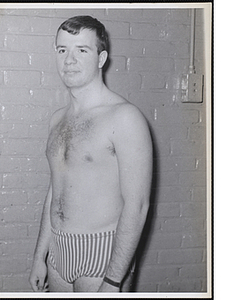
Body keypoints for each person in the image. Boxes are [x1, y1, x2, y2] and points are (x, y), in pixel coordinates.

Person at [29, 15, 152, 293]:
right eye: (62, 50)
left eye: (81, 50)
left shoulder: (125, 117)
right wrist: (40, 256)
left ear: (101, 58)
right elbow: (54, 191)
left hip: (104, 251)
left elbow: (138, 204)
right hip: (60, 251)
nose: (69, 60)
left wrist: (113, 280)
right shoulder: (57, 120)